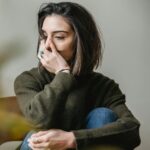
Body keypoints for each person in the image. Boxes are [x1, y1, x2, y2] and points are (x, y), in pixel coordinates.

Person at [13, 2, 140, 150]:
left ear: (82, 41)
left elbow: (132, 130)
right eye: (44, 36)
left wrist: (72, 139)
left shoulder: (103, 86)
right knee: (37, 135)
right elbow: (38, 122)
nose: (47, 45)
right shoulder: (28, 79)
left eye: (59, 37)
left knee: (103, 115)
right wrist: (63, 75)